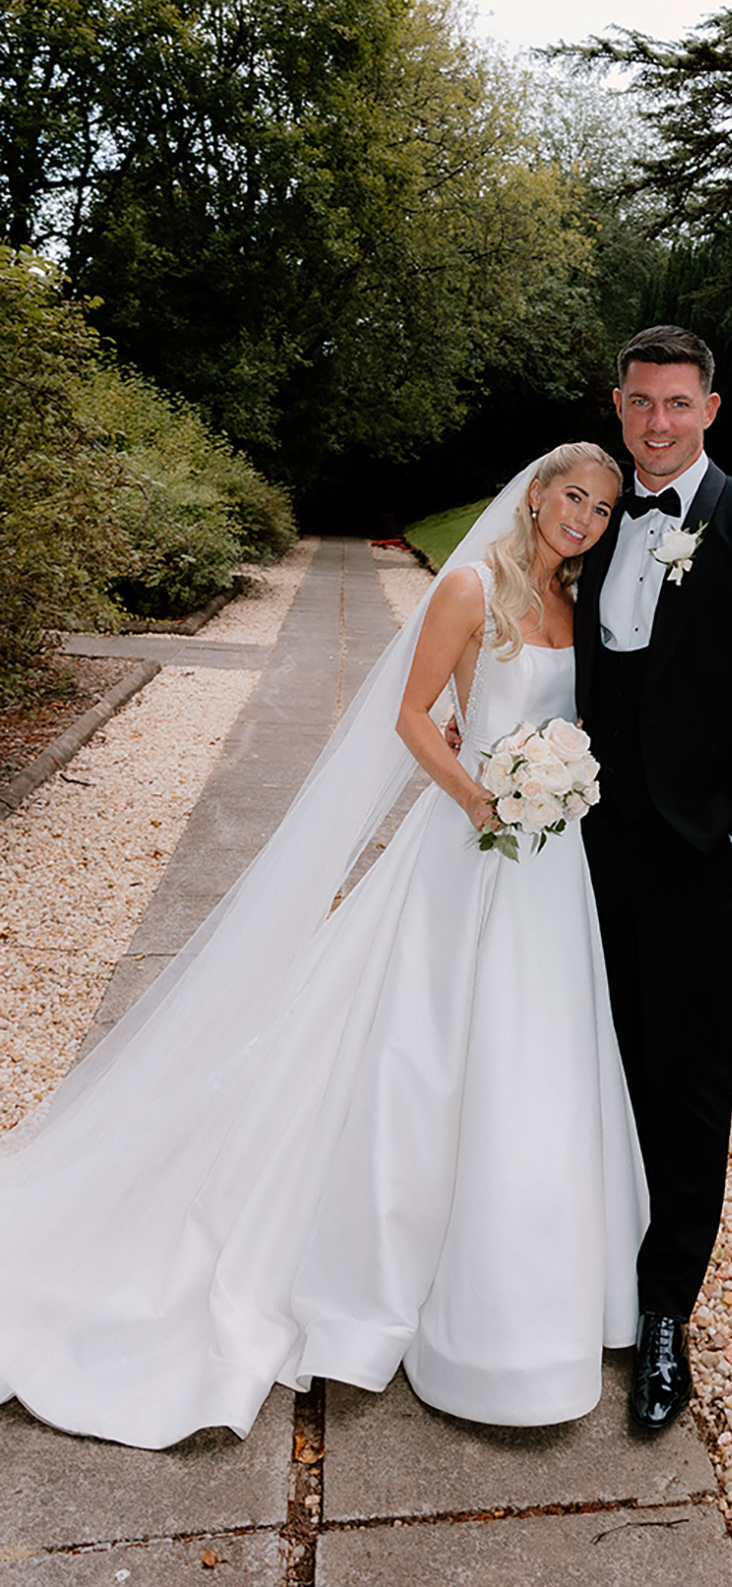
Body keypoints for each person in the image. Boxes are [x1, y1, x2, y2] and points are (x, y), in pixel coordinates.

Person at [0, 443, 647, 1449]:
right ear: (536, 491)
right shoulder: (472, 586)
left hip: (550, 868)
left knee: (537, 1056)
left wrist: (556, 786)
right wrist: (483, 794)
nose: (586, 519)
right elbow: (412, 716)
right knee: (423, 1051)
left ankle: (529, 1289)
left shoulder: (574, 600)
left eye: (604, 510)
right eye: (576, 497)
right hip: (470, 846)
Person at [575, 327, 732, 1432]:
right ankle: (580, 1256)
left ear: (711, 408)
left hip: (695, 856)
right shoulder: (585, 522)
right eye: (640, 403)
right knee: (590, 1047)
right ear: (618, 406)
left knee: (686, 1076)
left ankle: (668, 1304)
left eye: (678, 403)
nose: (658, 423)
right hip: (579, 844)